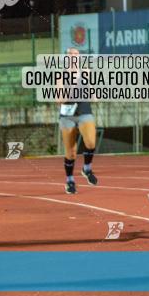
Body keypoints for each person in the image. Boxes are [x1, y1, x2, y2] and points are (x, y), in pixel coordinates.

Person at [56, 48, 98, 194]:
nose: (73, 57)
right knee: (71, 152)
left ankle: (87, 169)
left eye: (76, 55)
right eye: (70, 55)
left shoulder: (86, 72)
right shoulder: (61, 75)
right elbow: (59, 99)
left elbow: (93, 96)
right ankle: (70, 181)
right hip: (67, 114)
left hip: (84, 110)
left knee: (91, 142)